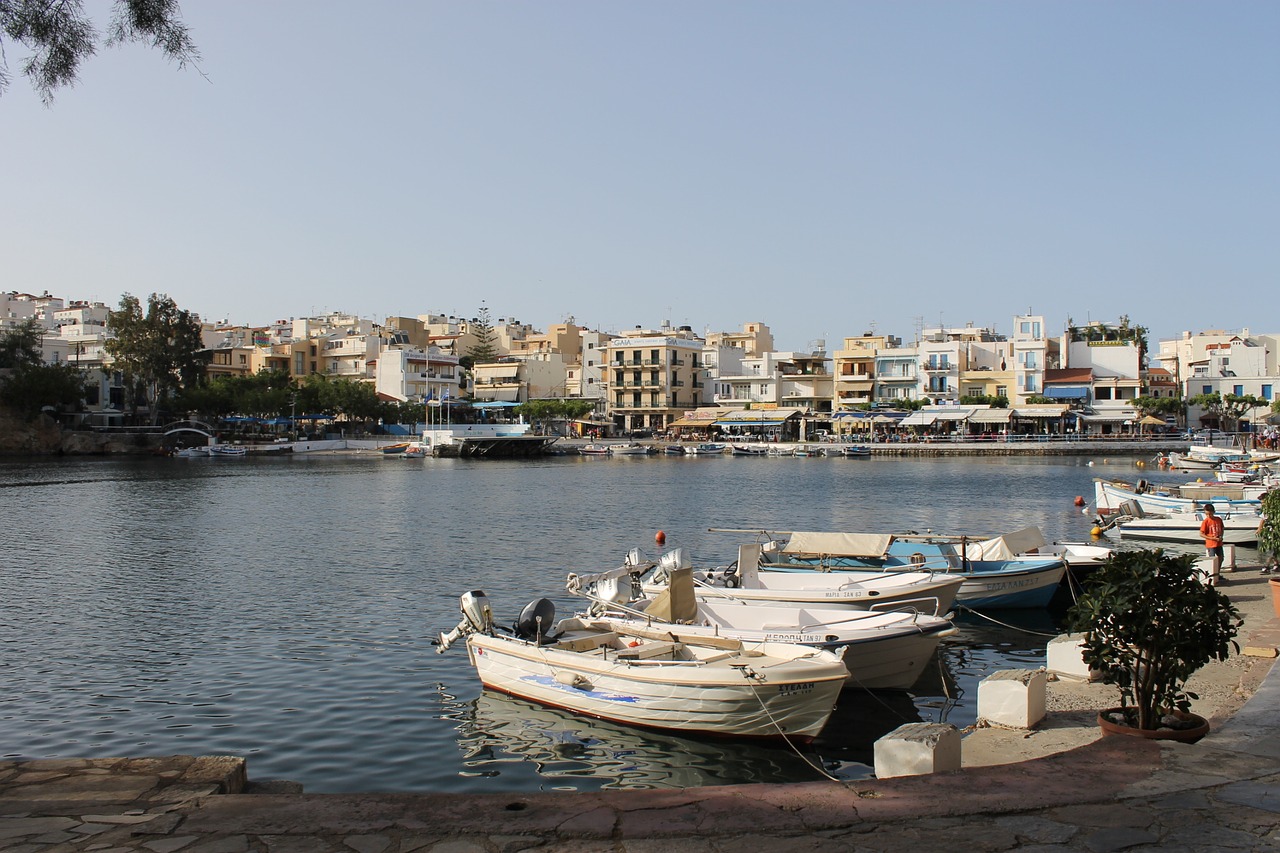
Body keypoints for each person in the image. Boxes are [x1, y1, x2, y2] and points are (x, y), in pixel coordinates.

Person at [1200, 503, 1226, 585]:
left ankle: (1217, 573)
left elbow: (1222, 528)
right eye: (1207, 514)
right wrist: (1212, 538)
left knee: (1221, 558)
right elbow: (1201, 533)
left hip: (1218, 542)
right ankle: (1212, 575)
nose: (1209, 516)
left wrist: (1221, 536)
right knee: (1212, 559)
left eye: (1210, 514)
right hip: (1211, 543)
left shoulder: (1218, 519)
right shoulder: (1206, 522)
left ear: (1213, 512)